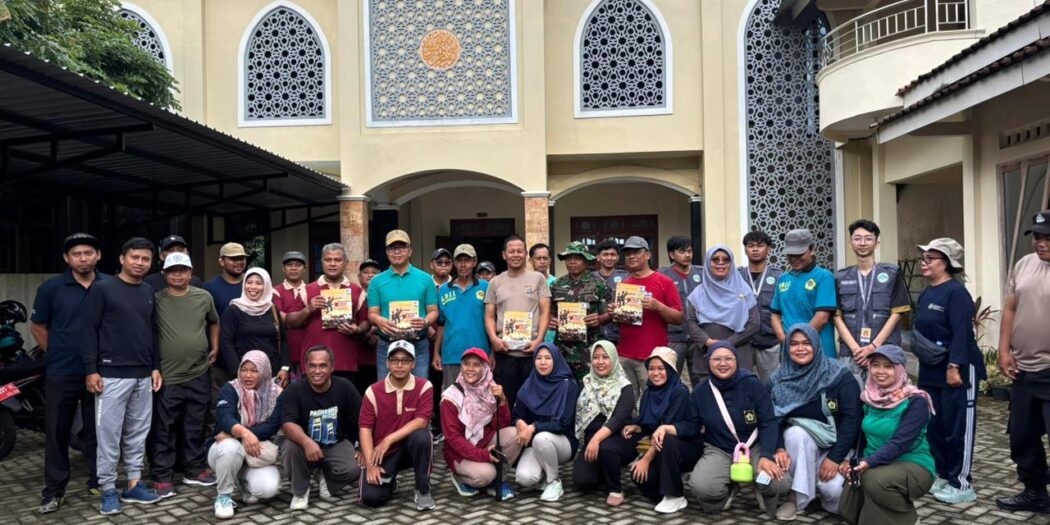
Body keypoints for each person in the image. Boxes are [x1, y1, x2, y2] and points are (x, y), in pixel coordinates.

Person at [83, 237, 163, 514]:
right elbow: (89, 331)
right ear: (121, 259)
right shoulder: (102, 289)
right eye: (135, 258)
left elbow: (151, 332)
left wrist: (154, 366)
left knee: (137, 434)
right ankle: (107, 489)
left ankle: (133, 483)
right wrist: (91, 369)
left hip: (143, 374)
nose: (140, 263)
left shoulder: (148, 290)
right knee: (108, 435)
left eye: (145, 259)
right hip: (111, 376)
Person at [32, 233, 105, 514]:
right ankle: (54, 490)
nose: (83, 258)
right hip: (62, 372)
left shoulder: (109, 284)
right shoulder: (52, 288)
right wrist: (58, 353)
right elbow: (38, 327)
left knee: (98, 431)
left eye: (89, 252)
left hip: (100, 372)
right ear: (67, 258)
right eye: (77, 254)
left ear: (98, 255)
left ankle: (99, 481)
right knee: (57, 431)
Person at [913, 237, 985, 504]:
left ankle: (961, 483)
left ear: (947, 264)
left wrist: (954, 367)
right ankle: (943, 474)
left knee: (958, 428)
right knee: (936, 426)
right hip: (931, 371)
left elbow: (962, 335)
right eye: (924, 258)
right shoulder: (927, 293)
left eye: (930, 259)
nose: (924, 263)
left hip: (957, 371)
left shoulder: (956, 293)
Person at [685, 341, 792, 517]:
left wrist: (767, 455)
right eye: (717, 359)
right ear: (708, 362)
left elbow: (768, 421)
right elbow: (691, 425)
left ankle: (761, 488)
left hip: (755, 446)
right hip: (719, 448)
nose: (723, 363)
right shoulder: (700, 392)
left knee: (778, 482)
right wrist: (669, 428)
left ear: (736, 360)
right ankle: (728, 488)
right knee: (704, 488)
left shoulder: (752, 384)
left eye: (728, 358)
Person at [770, 323, 861, 520]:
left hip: (837, 447)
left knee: (834, 494)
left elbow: (852, 418)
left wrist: (836, 458)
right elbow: (772, 420)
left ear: (817, 345)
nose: (800, 348)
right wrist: (778, 448)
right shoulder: (778, 379)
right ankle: (797, 498)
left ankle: (818, 491)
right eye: (793, 344)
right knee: (795, 434)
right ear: (787, 348)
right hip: (801, 448)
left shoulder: (838, 375)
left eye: (806, 343)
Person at [839, 345, 935, 525]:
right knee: (848, 509)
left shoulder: (916, 401)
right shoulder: (869, 398)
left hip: (912, 463)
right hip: (874, 462)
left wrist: (868, 462)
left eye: (888, 366)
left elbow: (900, 442)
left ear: (899, 369)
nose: (880, 371)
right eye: (875, 365)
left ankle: (909, 520)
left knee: (874, 480)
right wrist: (852, 459)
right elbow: (861, 438)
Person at [150, 253, 219, 496]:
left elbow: (213, 322)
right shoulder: (155, 299)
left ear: (191, 273)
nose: (178, 275)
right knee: (164, 428)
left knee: (195, 424)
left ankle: (194, 470)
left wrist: (215, 346)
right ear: (164, 275)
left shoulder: (203, 297)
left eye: (183, 270)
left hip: (199, 372)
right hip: (168, 377)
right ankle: (162, 475)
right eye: (173, 270)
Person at [997, 210, 1050, 513]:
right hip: (1024, 370)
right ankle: (1035, 492)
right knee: (1022, 436)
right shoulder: (1024, 264)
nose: (1040, 243)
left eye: (1047, 238)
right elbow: (1010, 309)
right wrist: (1004, 350)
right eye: (1037, 237)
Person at [280, 346, 363, 510]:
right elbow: (287, 424)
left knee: (357, 466)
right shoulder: (293, 391)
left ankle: (326, 478)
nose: (317, 371)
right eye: (312, 365)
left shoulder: (345, 387)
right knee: (289, 448)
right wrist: (306, 442)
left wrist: (361, 446)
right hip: (301, 447)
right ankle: (300, 491)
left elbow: (360, 419)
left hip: (335, 444)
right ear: (305, 367)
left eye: (323, 365)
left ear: (332, 367)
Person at [359, 340, 436, 510]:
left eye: (405, 360)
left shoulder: (424, 386)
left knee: (423, 435)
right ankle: (389, 481)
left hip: (409, 448)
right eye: (394, 360)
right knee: (370, 499)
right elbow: (365, 428)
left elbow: (422, 421)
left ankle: (422, 489)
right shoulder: (373, 391)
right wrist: (371, 464)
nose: (399, 365)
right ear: (387, 363)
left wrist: (389, 439)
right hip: (383, 453)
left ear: (413, 364)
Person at [622, 347, 699, 514]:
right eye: (651, 368)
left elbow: (665, 430)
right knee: (639, 476)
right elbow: (651, 422)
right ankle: (668, 488)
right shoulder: (649, 393)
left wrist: (645, 460)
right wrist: (638, 426)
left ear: (671, 370)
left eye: (661, 368)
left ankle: (675, 496)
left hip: (685, 448)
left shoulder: (680, 392)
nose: (655, 373)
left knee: (667, 439)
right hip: (662, 450)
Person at [834, 220, 911, 385]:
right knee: (851, 402)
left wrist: (873, 346)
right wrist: (856, 349)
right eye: (857, 238)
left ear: (876, 243)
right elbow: (837, 317)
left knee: (886, 402)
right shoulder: (841, 277)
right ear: (850, 243)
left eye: (868, 239)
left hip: (885, 352)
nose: (862, 243)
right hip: (851, 353)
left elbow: (896, 313)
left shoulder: (892, 273)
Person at [209, 351, 284, 519]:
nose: (247, 375)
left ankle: (241, 481)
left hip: (254, 452)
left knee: (268, 488)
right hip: (223, 450)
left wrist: (238, 435)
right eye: (244, 369)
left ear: (264, 371)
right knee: (229, 447)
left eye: (254, 370)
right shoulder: (231, 388)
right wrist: (244, 434)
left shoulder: (276, 393)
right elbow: (224, 417)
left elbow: (272, 426)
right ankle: (223, 496)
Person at [609, 236, 684, 400]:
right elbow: (621, 321)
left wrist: (659, 306)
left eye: (636, 252)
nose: (631, 256)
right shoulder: (624, 285)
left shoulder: (664, 282)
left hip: (652, 357)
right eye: (628, 253)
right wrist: (614, 313)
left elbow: (678, 318)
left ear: (648, 255)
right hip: (625, 354)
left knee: (656, 401)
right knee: (627, 404)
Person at [440, 348, 520, 499]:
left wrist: (502, 401)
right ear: (461, 367)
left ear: (485, 369)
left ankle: (497, 481)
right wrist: (483, 455)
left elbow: (501, 425)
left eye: (476, 365)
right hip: (458, 452)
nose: (470, 369)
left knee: (514, 435)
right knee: (486, 474)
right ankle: (461, 478)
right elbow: (452, 438)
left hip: (483, 442)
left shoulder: (491, 389)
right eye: (466, 364)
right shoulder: (451, 397)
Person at [285, 244, 370, 386]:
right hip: (314, 364)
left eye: (337, 260)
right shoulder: (307, 290)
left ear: (345, 263)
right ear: (322, 262)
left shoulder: (357, 291)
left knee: (345, 406)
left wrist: (358, 330)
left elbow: (365, 321)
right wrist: (309, 309)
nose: (332, 264)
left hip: (346, 363)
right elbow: (289, 322)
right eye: (328, 260)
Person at [484, 235, 552, 407]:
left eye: (519, 251)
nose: (515, 255)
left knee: (532, 399)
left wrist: (539, 340)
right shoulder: (495, 282)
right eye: (511, 251)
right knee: (506, 400)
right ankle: (509, 432)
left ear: (525, 255)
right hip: (505, 353)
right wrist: (494, 339)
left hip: (531, 352)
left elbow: (545, 312)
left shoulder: (538, 279)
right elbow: (490, 315)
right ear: (503, 255)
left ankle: (530, 431)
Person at [367, 230, 439, 380]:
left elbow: (433, 311)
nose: (397, 252)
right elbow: (372, 313)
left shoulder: (425, 279)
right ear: (387, 252)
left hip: (418, 344)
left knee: (419, 390)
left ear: (410, 251)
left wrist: (425, 322)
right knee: (386, 392)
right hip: (387, 344)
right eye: (393, 248)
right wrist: (379, 320)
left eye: (402, 247)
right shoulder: (376, 281)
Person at [571, 341, 636, 506]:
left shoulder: (625, 387)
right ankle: (606, 468)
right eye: (596, 357)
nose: (600, 362)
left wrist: (595, 440)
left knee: (607, 448)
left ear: (614, 359)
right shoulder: (587, 383)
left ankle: (615, 488)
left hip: (620, 437)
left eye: (605, 357)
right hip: (594, 440)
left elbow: (618, 419)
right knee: (582, 481)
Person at [512, 343, 579, 502]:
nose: (543, 362)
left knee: (541, 438)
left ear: (556, 360)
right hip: (536, 443)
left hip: (562, 442)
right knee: (524, 478)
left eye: (548, 358)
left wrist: (534, 427)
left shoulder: (568, 385)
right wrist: (519, 422)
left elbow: (563, 423)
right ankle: (544, 474)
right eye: (539, 358)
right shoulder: (530, 382)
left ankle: (554, 481)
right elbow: (516, 414)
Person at [685, 244, 760, 386]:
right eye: (715, 259)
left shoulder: (744, 291)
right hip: (706, 356)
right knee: (708, 401)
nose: (721, 263)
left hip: (739, 356)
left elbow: (754, 324)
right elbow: (690, 323)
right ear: (708, 263)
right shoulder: (698, 294)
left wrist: (726, 345)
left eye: (726, 259)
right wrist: (708, 342)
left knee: (739, 402)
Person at [549, 241, 611, 380]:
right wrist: (551, 320)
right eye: (569, 258)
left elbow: (609, 315)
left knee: (588, 389)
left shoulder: (599, 284)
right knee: (562, 389)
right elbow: (549, 312)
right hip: (561, 349)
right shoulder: (556, 284)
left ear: (586, 260)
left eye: (577, 258)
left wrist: (600, 319)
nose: (572, 262)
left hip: (588, 350)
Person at [770, 229, 838, 358]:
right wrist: (785, 341)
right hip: (790, 353)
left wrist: (798, 343)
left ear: (812, 249)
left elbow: (822, 318)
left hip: (819, 351)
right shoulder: (783, 278)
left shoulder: (824, 277)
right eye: (790, 254)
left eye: (799, 254)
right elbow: (775, 315)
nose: (794, 259)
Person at [219, 268, 290, 387]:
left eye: (259, 283)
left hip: (273, 373)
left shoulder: (271, 308)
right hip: (246, 375)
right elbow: (226, 342)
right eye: (249, 282)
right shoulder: (233, 309)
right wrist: (238, 373)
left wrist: (285, 368)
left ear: (266, 286)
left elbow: (283, 339)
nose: (253, 287)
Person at [434, 244, 490, 390]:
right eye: (459, 260)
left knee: (481, 401)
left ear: (474, 262)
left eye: (467, 260)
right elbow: (441, 323)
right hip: (452, 354)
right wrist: (436, 352)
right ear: (454, 263)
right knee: (452, 400)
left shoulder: (485, 287)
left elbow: (492, 321)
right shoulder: (444, 290)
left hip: (480, 354)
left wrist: (493, 354)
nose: (463, 265)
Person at [739, 230, 784, 383]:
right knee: (741, 384)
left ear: (769, 249)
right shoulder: (736, 277)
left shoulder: (779, 277)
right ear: (745, 249)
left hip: (770, 342)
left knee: (772, 385)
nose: (755, 249)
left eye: (760, 246)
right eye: (751, 246)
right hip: (743, 341)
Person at [658, 235, 704, 377]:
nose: (687, 255)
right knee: (670, 377)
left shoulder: (703, 273)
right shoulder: (662, 275)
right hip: (673, 336)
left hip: (698, 335)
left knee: (700, 378)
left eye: (689, 251)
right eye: (682, 252)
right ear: (672, 254)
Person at [273, 250, 309, 378]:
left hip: (308, 344)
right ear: (283, 268)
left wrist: (292, 318)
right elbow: (281, 319)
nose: (294, 268)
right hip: (284, 346)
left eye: (298, 265)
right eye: (289, 265)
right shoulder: (275, 291)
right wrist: (305, 315)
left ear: (304, 269)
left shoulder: (312, 290)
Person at [592, 238, 628, 347]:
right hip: (595, 334)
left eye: (613, 255)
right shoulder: (590, 278)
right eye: (605, 254)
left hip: (620, 335)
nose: (609, 258)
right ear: (598, 257)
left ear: (617, 257)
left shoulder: (626, 277)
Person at [356, 259, 383, 396]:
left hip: (380, 352)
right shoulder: (352, 294)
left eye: (374, 273)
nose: (370, 275)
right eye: (366, 272)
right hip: (357, 354)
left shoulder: (385, 294)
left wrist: (375, 332)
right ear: (359, 276)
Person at [203, 242, 248, 317]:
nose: (239, 262)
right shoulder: (209, 287)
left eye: (242, 258)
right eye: (234, 259)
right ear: (221, 261)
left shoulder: (254, 286)